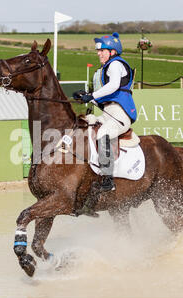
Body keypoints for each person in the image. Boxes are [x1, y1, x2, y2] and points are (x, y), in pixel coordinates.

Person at [73, 32, 137, 192]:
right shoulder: (107, 67)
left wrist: (92, 95)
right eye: (98, 51)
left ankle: (108, 180)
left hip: (121, 115)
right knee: (86, 123)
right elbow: (105, 98)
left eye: (102, 50)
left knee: (103, 134)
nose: (98, 53)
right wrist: (86, 98)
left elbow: (114, 86)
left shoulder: (116, 64)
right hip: (108, 113)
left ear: (112, 51)